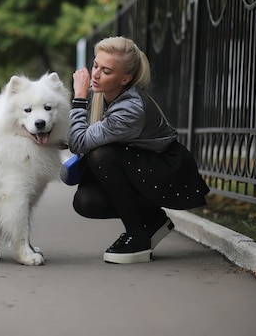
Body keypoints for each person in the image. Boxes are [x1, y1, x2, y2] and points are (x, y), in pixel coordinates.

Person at [68, 36, 209, 264]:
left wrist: (79, 97)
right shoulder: (108, 96)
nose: (95, 74)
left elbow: (79, 143)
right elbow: (80, 139)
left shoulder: (130, 108)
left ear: (126, 78)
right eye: (95, 65)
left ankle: (137, 236)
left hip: (168, 173)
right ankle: (152, 219)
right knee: (86, 201)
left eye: (106, 71)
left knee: (101, 156)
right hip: (145, 168)